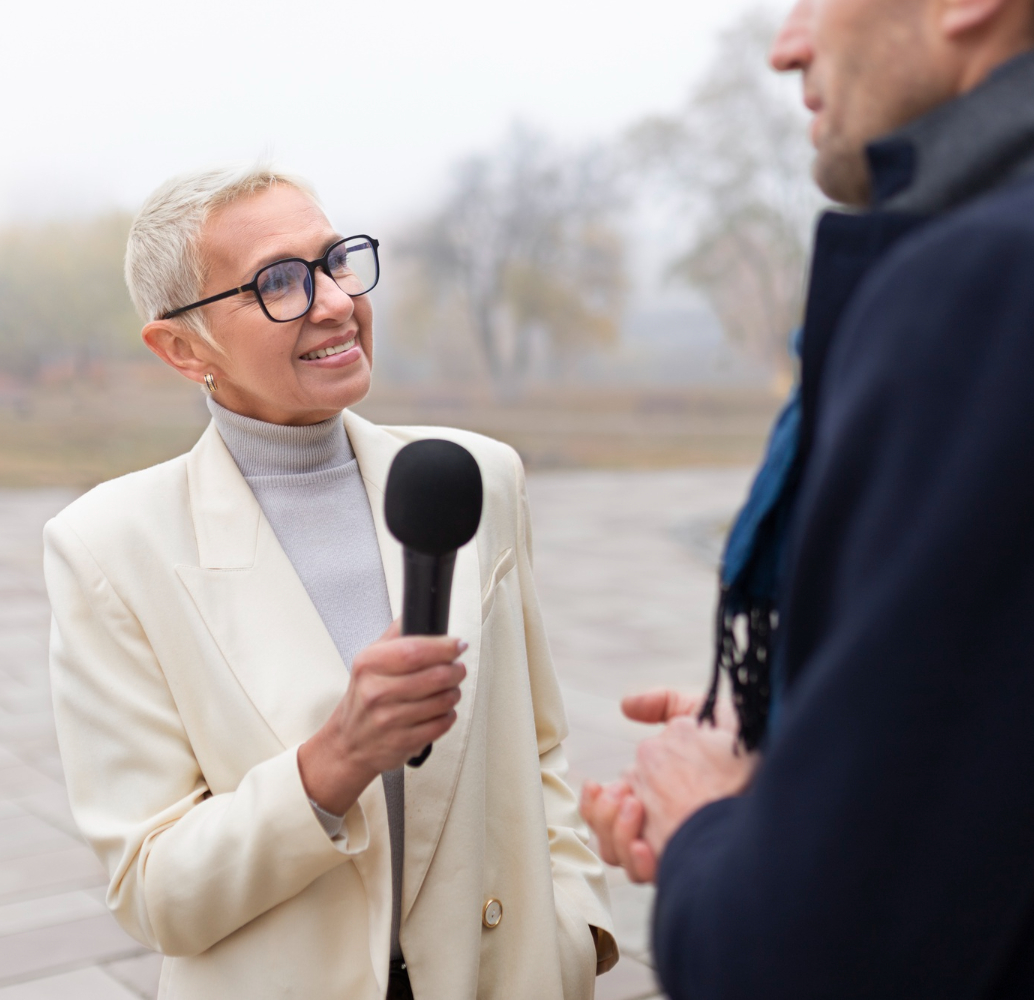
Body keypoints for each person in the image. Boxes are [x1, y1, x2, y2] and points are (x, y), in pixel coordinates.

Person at [582, 0, 1034, 996]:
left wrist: (709, 823)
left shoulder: (1010, 287)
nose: (787, 46)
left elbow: (800, 966)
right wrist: (816, 738)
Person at [43, 166, 615, 999]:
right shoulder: (107, 548)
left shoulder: (479, 477)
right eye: (280, 281)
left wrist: (573, 930)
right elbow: (155, 890)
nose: (337, 302)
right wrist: (334, 761)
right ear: (180, 346)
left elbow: (538, 743)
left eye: (336, 260)